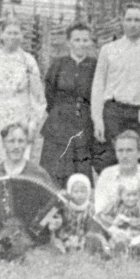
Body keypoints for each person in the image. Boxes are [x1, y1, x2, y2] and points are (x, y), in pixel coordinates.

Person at [0, 20, 47, 207]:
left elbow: (37, 96)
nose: (13, 37)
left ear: (22, 36)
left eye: (17, 33)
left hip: (20, 114)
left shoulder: (28, 61)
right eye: (9, 33)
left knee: (18, 157)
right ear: (1, 36)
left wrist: (33, 124)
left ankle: (17, 207)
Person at [0, 123, 58, 262]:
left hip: (29, 234)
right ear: (4, 144)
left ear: (26, 144)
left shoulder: (38, 174)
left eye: (20, 141)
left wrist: (49, 222)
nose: (16, 146)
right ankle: (4, 249)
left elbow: (54, 207)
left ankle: (0, 249)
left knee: (20, 240)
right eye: (11, 141)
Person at [91, 4, 140, 170]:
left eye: (137, 20)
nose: (133, 24)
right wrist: (98, 120)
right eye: (129, 19)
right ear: (122, 22)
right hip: (113, 113)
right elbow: (98, 86)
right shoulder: (108, 50)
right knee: (109, 161)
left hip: (139, 116)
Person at [40, 23, 97, 186]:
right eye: (77, 39)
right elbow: (49, 93)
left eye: (85, 40)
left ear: (90, 42)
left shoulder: (95, 65)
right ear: (69, 42)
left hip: (83, 123)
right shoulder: (58, 64)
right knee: (54, 170)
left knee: (79, 171)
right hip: (58, 123)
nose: (81, 44)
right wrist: (60, 111)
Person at [93, 130, 140, 216]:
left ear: (139, 153)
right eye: (120, 151)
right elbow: (100, 210)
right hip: (110, 226)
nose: (124, 156)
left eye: (129, 150)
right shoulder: (106, 175)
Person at [95, 176, 140, 257]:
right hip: (119, 232)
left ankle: (135, 250)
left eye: (135, 195)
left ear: (139, 194)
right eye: (128, 195)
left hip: (136, 232)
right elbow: (102, 216)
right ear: (121, 195)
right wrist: (114, 222)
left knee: (139, 241)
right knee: (114, 239)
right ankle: (116, 249)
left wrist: (129, 221)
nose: (132, 198)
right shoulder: (116, 205)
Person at [52, 173, 101, 254]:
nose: (79, 195)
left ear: (88, 192)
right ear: (70, 192)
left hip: (84, 237)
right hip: (66, 237)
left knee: (94, 240)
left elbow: (95, 227)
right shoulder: (64, 206)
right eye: (76, 191)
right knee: (57, 244)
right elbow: (48, 218)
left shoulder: (92, 208)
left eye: (83, 191)